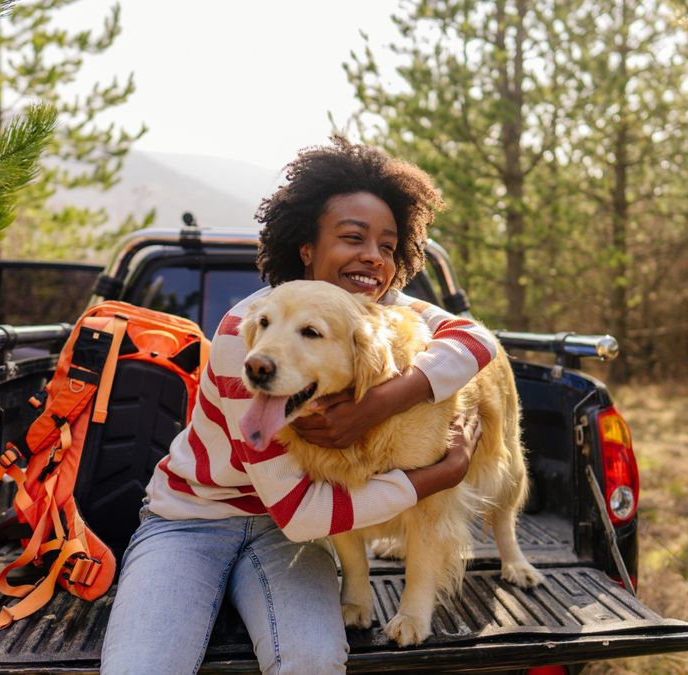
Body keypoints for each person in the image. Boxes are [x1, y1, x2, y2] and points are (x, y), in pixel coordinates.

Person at [100, 138, 499, 674]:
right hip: (192, 520)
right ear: (307, 248)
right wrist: (439, 475)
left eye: (387, 244)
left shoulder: (381, 312)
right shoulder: (250, 334)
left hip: (289, 538)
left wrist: (376, 404)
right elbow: (301, 510)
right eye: (352, 237)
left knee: (311, 662)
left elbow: (477, 341)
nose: (372, 256)